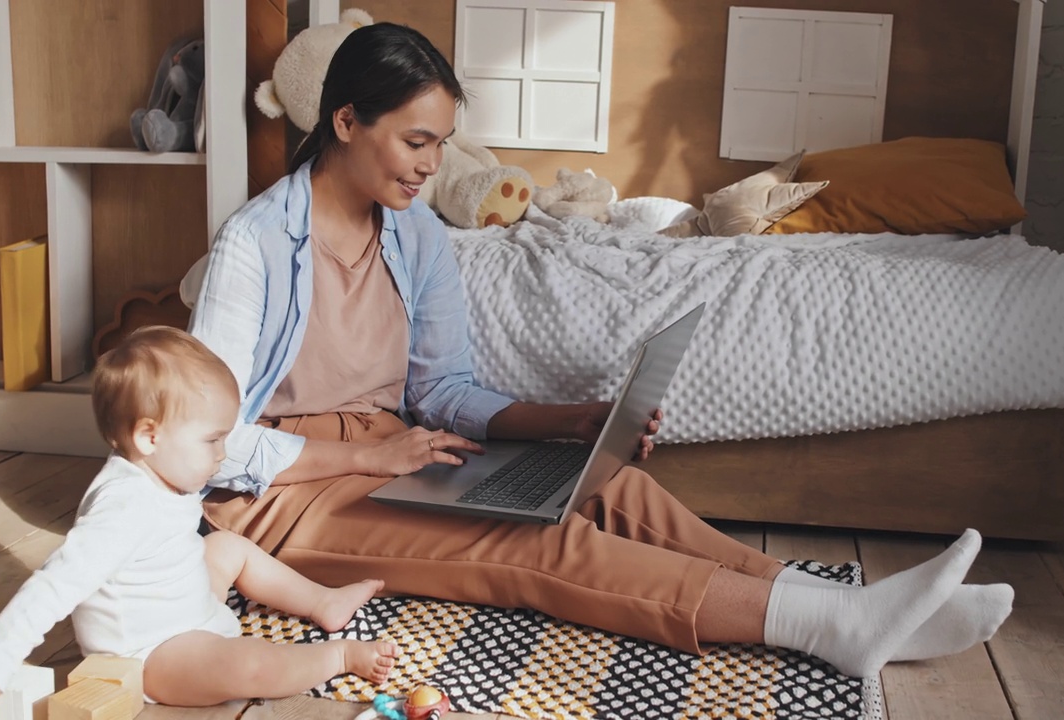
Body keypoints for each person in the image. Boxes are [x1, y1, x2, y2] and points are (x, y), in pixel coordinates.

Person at [185, 22, 1014, 680]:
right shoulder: (255, 245)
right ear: (344, 122)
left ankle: (845, 603)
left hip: (391, 447)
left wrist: (570, 422)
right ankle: (826, 625)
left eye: (442, 143)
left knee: (610, 484)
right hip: (282, 493)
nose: (432, 165)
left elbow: (443, 392)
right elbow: (213, 443)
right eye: (416, 142)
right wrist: (366, 460)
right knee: (524, 541)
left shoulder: (420, 236)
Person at [0, 326, 399, 718]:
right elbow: (51, 588)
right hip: (156, 652)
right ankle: (337, 656)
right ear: (149, 436)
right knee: (247, 667)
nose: (222, 453)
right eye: (212, 440)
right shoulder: (120, 509)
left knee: (227, 548)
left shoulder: (159, 471)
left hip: (189, 604)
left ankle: (323, 602)